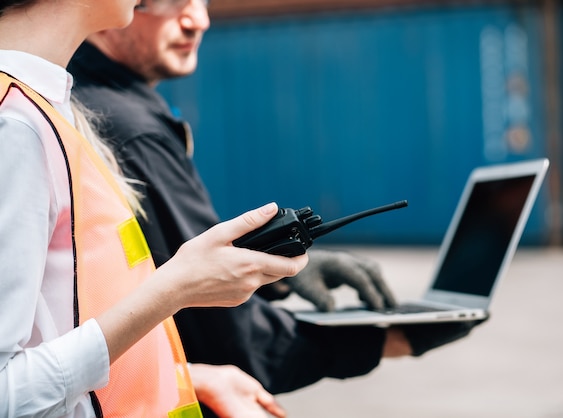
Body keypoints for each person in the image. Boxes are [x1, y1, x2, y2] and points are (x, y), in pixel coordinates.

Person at [68, 0, 486, 415]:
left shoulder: (80, 99)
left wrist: (276, 276)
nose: (199, 20)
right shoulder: (131, 130)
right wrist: (389, 339)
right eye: (173, 2)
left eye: (202, 0)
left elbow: (154, 267)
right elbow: (228, 340)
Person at [0, 0, 309, 416]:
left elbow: (53, 329)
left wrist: (188, 374)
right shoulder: (15, 125)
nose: (198, 17)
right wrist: (174, 289)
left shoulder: (40, 105)